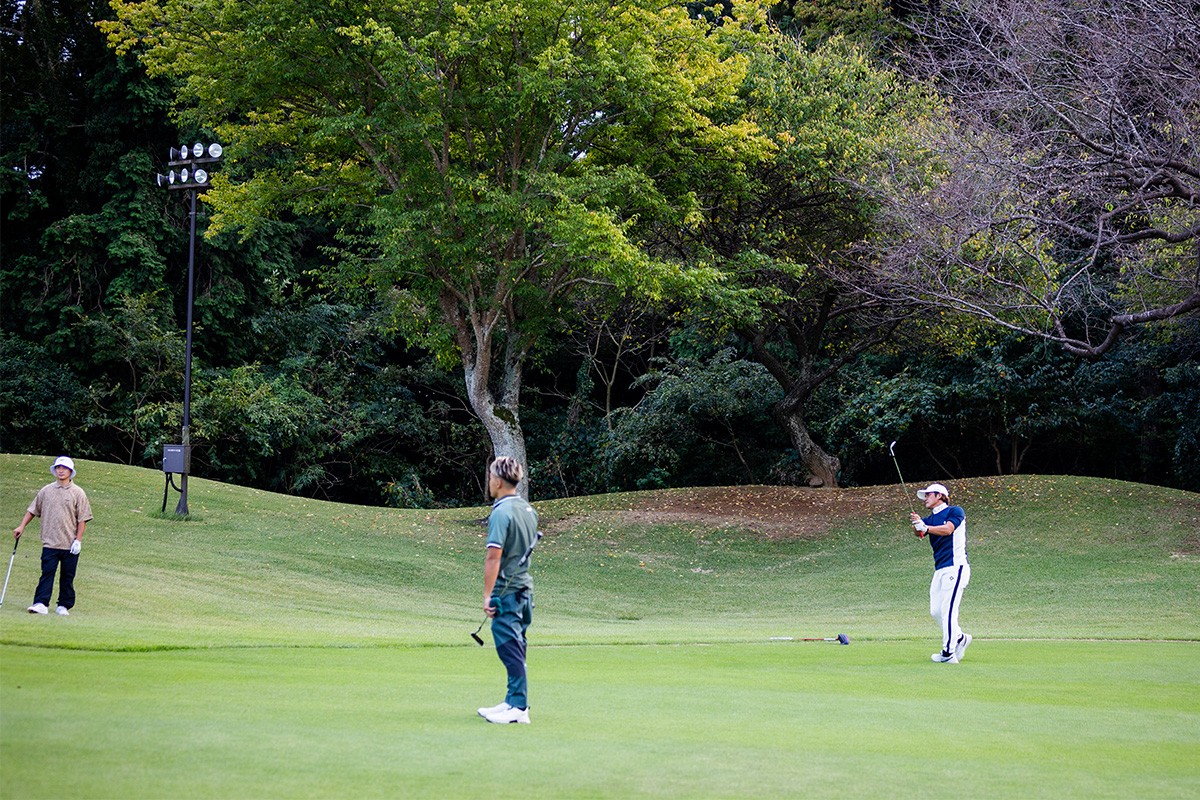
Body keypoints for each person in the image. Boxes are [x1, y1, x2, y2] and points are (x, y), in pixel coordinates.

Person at [476, 456, 539, 724]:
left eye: (491, 477)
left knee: (509, 647)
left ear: (498, 481)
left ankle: (519, 709)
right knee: (517, 644)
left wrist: (488, 595)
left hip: (508, 592)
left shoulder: (501, 512)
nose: (489, 481)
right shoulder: (527, 509)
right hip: (524, 591)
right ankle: (512, 700)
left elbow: (494, 557)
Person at [14, 456, 93, 616]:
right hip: (50, 542)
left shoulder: (78, 493)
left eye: (64, 468)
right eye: (58, 468)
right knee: (47, 573)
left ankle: (63, 605)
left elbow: (82, 519)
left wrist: (78, 540)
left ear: (71, 472)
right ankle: (41, 603)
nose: (61, 471)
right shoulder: (46, 490)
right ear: (55, 470)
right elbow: (32, 510)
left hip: (70, 544)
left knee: (67, 576)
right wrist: (22, 526)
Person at [911, 482, 971, 664]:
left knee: (948, 611)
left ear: (939, 496)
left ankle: (948, 653)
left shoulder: (955, 511)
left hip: (956, 566)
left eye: (928, 495)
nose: (925, 499)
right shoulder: (929, 519)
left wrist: (925, 528)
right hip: (940, 569)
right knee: (935, 611)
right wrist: (917, 524)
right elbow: (919, 534)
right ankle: (960, 638)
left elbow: (948, 530)